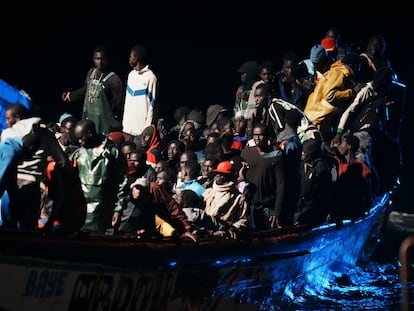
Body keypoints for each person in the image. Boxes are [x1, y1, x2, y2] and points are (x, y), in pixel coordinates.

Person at [70, 119, 128, 234]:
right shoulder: (77, 155)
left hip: (102, 214)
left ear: (90, 133)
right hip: (80, 213)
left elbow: (122, 183)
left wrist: (118, 210)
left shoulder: (112, 154)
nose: (80, 141)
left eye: (82, 137)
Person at [61, 45, 124, 135]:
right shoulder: (91, 72)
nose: (100, 62)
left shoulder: (114, 79)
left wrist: (113, 124)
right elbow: (86, 90)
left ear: (108, 59)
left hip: (104, 124)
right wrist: (70, 95)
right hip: (89, 118)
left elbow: (118, 105)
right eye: (97, 59)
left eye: (103, 59)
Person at [122, 45, 159, 142]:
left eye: (131, 56)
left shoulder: (150, 77)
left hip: (141, 131)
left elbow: (152, 105)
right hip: (127, 129)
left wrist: (147, 129)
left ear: (136, 58)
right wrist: (125, 124)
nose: (129, 59)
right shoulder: (131, 75)